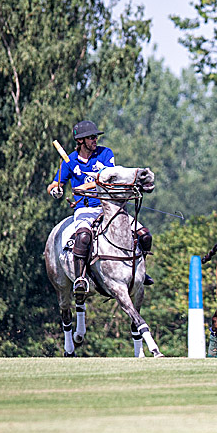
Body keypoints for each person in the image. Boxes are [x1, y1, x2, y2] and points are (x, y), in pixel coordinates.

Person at [46, 120, 153, 299]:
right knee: (83, 237)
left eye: (95, 136)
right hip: (85, 210)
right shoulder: (70, 161)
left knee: (144, 235)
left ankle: (139, 271)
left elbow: (108, 178)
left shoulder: (104, 153)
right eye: (91, 137)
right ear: (80, 141)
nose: (95, 140)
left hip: (108, 207)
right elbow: (55, 183)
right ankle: (80, 279)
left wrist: (85, 186)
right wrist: (55, 190)